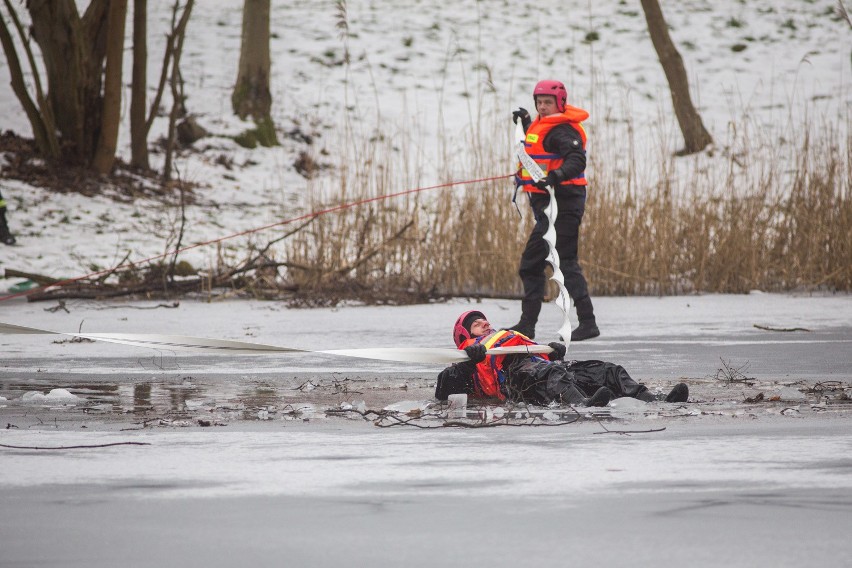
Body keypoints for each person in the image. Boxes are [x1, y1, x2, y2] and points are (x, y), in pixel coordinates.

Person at [436, 310, 688, 407]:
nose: (486, 324)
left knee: (607, 370)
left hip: (544, 367)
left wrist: (552, 351)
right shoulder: (464, 362)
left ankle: (657, 400)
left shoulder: (507, 337)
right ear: (466, 337)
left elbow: (540, 357)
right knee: (552, 374)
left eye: (485, 321)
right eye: (478, 326)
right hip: (516, 380)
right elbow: (442, 389)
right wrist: (469, 361)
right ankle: (584, 406)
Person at [510, 80, 597, 341]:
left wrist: (555, 176)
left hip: (564, 206)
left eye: (548, 102)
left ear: (560, 103)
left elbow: (576, 158)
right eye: (539, 102)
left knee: (562, 261)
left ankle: (587, 322)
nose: (542, 107)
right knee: (532, 264)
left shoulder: (562, 130)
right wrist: (526, 122)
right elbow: (538, 149)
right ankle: (527, 325)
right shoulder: (542, 126)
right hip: (548, 209)